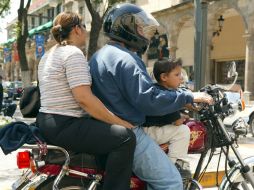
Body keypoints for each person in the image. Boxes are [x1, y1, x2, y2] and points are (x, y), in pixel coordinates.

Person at [89, 3, 213, 190]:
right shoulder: (126, 59)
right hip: (130, 131)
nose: (143, 33)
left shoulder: (99, 56)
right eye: (139, 28)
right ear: (126, 28)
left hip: (107, 130)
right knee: (171, 182)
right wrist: (189, 96)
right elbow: (149, 99)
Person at [36, 11, 136, 190]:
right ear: (76, 29)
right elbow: (84, 99)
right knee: (125, 138)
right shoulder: (73, 53)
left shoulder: (49, 54)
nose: (86, 31)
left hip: (48, 121)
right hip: (66, 123)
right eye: (84, 27)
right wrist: (120, 122)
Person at [143, 58, 192, 179]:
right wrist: (183, 117)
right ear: (164, 77)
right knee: (183, 131)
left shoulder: (157, 90)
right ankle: (175, 165)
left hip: (147, 130)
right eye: (177, 74)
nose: (181, 77)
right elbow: (177, 122)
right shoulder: (167, 95)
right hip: (150, 131)